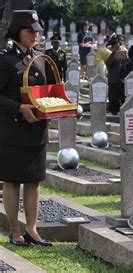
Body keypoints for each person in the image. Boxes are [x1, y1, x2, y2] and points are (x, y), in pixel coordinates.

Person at [0, 10, 52, 247]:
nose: (35, 35)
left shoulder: (41, 58)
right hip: (14, 129)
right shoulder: (5, 59)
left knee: (34, 180)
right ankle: (14, 229)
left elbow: (47, 91)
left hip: (37, 129)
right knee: (12, 180)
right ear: (17, 32)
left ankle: (32, 229)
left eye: (37, 31)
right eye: (30, 31)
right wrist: (19, 108)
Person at [105, 35, 128, 115]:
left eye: (118, 46)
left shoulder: (124, 53)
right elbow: (108, 64)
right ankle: (113, 112)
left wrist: (126, 57)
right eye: (116, 47)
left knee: (122, 97)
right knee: (113, 98)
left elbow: (127, 65)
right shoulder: (111, 55)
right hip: (113, 80)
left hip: (121, 80)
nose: (118, 48)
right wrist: (114, 56)